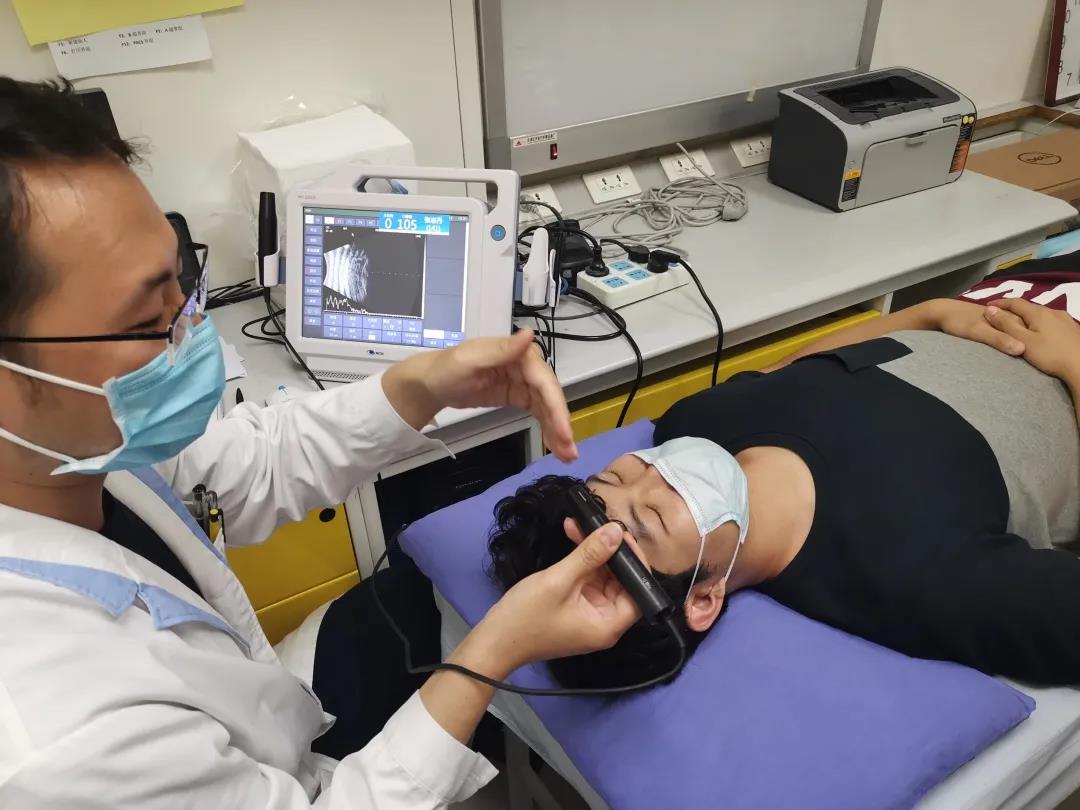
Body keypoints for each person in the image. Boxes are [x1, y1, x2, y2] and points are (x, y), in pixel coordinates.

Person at [0, 77, 642, 808]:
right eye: (150, 321)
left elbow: (240, 465)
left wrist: (420, 385)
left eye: (184, 286)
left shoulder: (66, 448)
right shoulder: (57, 744)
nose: (192, 331)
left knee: (410, 598)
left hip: (273, 721)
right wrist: (493, 651)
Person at [489, 263, 1080, 691]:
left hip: (1007, 294)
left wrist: (929, 313)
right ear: (703, 597)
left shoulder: (695, 421)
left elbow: (797, 370)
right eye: (652, 516)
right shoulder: (919, 580)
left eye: (612, 480)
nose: (656, 473)